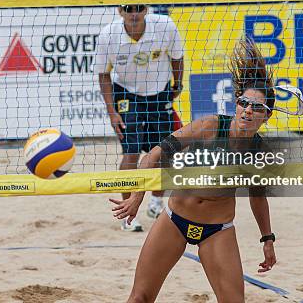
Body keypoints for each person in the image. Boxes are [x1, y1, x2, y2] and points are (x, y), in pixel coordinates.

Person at [110, 38, 281, 302]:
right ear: (236, 103)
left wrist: (267, 238)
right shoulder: (210, 126)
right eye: (243, 103)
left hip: (217, 229)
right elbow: (154, 155)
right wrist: (137, 196)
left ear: (266, 115)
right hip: (175, 220)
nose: (247, 111)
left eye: (256, 107)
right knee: (140, 298)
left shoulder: (259, 152)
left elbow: (258, 197)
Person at [95, 4, 184, 232]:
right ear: (119, 11)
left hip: (159, 91)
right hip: (126, 93)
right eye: (128, 9)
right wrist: (112, 112)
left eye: (139, 8)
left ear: (147, 10)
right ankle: (127, 213)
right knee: (131, 152)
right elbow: (104, 74)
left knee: (163, 151)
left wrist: (178, 84)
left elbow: (177, 57)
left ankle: (156, 201)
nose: (133, 13)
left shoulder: (165, 26)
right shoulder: (109, 35)